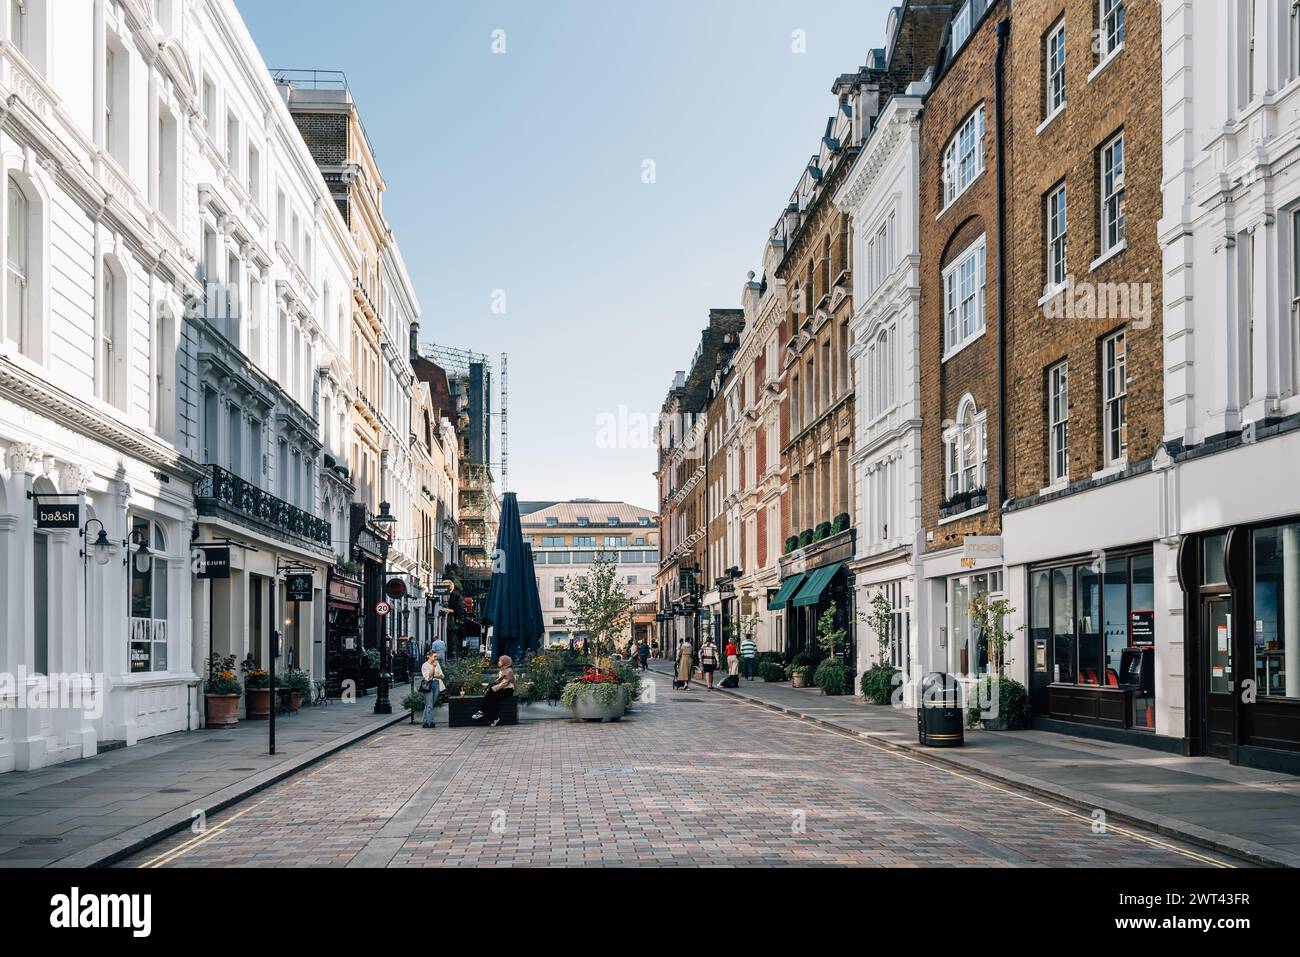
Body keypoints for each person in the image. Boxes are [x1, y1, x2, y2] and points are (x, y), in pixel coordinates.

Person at [475, 655, 514, 727]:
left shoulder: (509, 671)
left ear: (505, 662)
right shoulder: (502, 669)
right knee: (492, 698)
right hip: (502, 688)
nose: (499, 662)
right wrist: (492, 685)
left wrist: (495, 688)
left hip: (508, 690)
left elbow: (505, 682)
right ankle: (494, 718)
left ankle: (482, 711)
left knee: (491, 694)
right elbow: (499, 680)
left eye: (500, 661)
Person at [420, 650, 445, 728]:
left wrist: (435, 675)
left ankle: (425, 721)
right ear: (429, 656)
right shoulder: (425, 665)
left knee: (430, 704)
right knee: (429, 705)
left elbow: (442, 675)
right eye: (434, 656)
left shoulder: (437, 664)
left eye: (436, 656)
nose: (436, 658)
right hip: (428, 685)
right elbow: (428, 677)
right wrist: (433, 668)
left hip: (436, 684)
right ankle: (431, 722)